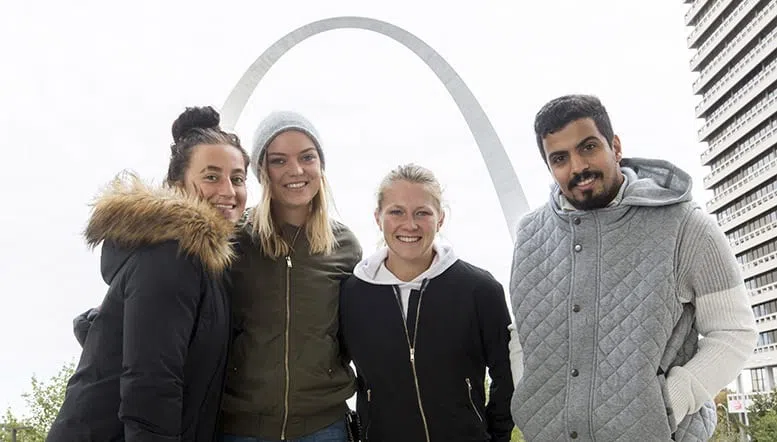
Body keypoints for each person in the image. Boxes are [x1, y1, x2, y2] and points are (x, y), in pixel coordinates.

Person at [508, 94, 758, 441]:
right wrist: (534, 402)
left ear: (615, 146)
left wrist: (672, 401)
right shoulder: (529, 234)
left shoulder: (685, 225)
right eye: (560, 158)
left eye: (588, 147)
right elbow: (524, 332)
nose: (577, 167)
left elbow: (735, 332)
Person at [48, 106, 250, 441]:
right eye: (211, 177)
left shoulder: (205, 262)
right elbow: (151, 383)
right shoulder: (172, 256)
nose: (228, 191)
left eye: (238, 178)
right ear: (177, 184)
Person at [339, 164, 514, 442]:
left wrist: (496, 436)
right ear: (378, 217)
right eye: (396, 211)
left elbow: (506, 376)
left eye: (422, 213)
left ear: (440, 219)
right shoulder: (352, 294)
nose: (410, 224)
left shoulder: (480, 290)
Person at [221, 111, 362, 442]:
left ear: (320, 165)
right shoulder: (234, 240)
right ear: (262, 171)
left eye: (307, 157)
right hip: (241, 427)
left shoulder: (344, 246)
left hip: (324, 427)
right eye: (279, 160)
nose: (296, 171)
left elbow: (357, 333)